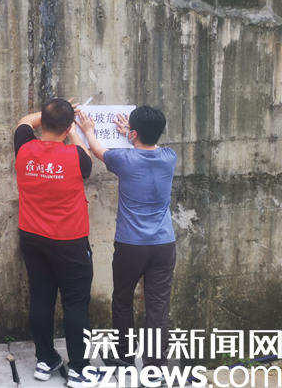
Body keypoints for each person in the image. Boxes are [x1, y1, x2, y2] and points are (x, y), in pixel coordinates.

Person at [76, 106, 177, 385]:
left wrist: (88, 130)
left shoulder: (124, 159)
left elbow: (98, 150)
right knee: (158, 305)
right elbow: (146, 149)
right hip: (164, 244)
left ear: (134, 133)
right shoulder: (170, 157)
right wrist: (131, 135)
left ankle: (124, 354)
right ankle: (155, 369)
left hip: (131, 245)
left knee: (122, 299)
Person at [14, 98, 103, 388]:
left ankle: (45, 360)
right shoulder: (76, 157)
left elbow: (25, 122)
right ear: (66, 129)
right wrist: (73, 128)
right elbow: (86, 157)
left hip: (32, 237)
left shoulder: (24, 148)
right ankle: (78, 370)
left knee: (41, 298)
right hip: (69, 241)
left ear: (43, 122)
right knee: (76, 304)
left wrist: (55, 115)